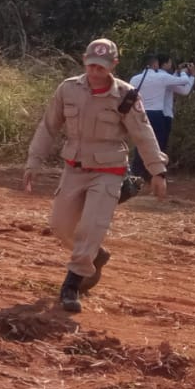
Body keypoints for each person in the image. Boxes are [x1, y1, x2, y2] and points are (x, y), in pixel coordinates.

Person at [24, 38, 167, 313]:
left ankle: (72, 285)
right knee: (60, 226)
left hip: (109, 171)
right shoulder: (68, 89)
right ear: (84, 60)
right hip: (74, 169)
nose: (95, 72)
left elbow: (143, 134)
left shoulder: (126, 96)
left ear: (114, 65)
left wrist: (157, 170)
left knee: (91, 227)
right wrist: (34, 161)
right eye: (91, 65)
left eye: (101, 67)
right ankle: (95, 256)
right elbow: (48, 126)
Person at [128, 53, 195, 178]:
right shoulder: (161, 78)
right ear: (155, 64)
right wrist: (186, 72)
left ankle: (136, 173)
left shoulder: (135, 79)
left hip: (140, 113)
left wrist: (177, 72)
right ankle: (155, 174)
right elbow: (184, 84)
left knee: (141, 143)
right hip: (157, 115)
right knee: (157, 144)